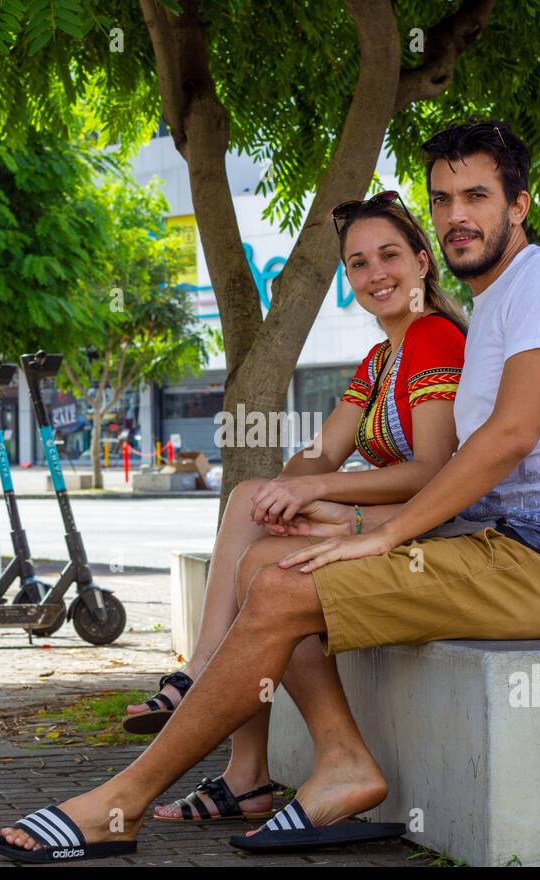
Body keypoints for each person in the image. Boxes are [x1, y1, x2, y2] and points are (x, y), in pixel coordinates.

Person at [0, 118, 540, 863]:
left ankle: (119, 802)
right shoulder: (490, 308)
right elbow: (336, 455)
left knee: (284, 586)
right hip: (478, 549)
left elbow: (507, 439)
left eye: (475, 195)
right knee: (264, 566)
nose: (456, 215)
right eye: (442, 198)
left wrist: (382, 531)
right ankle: (340, 763)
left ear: (518, 205)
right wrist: (331, 510)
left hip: (537, 568)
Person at [121, 190, 468, 823]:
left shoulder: (434, 337)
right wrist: (287, 490)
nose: (374, 274)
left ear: (423, 261)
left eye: (389, 255)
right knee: (256, 510)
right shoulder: (382, 355)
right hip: (382, 521)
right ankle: (244, 769)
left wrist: (309, 492)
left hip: (432, 530)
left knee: (269, 551)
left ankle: (220, 714)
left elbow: (431, 470)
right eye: (358, 264)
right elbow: (323, 451)